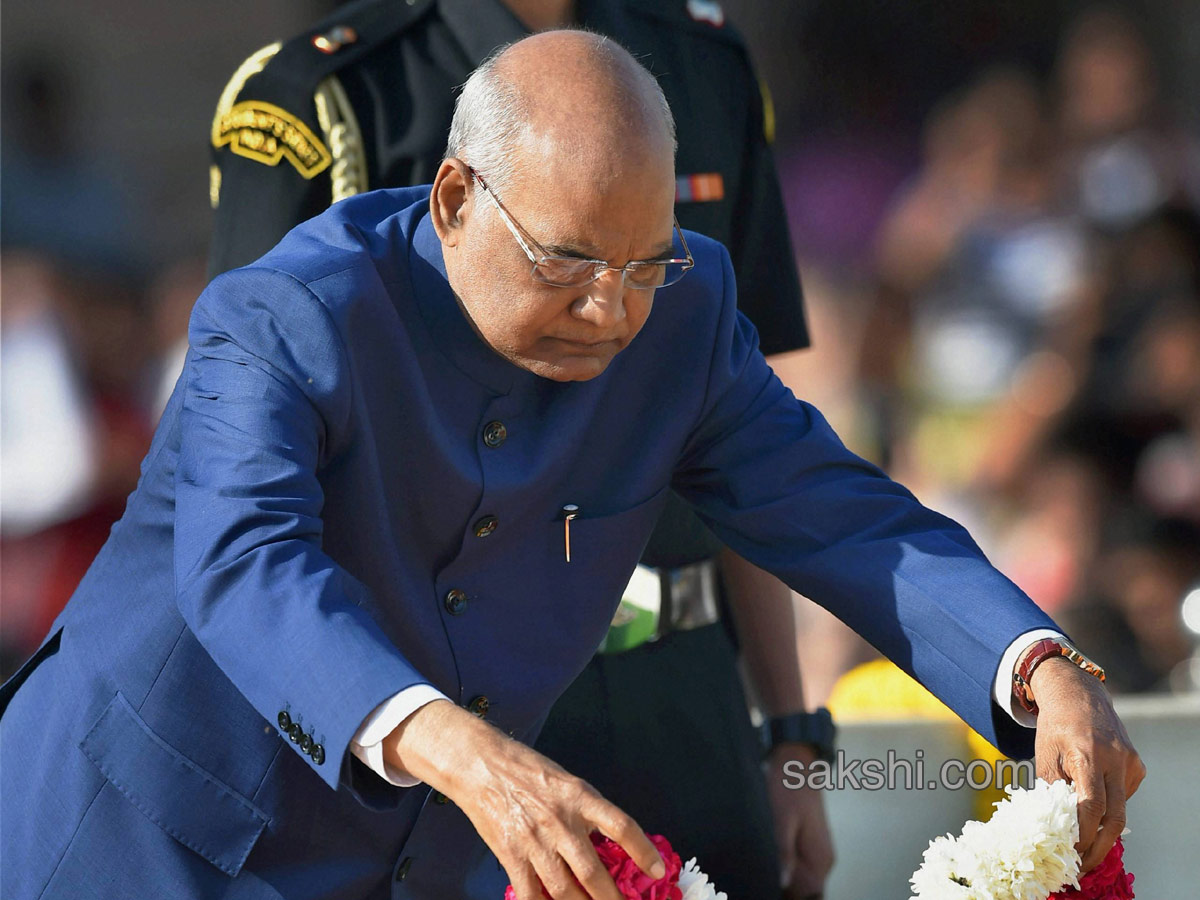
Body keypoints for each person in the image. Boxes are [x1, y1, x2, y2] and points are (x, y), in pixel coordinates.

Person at [2, 32, 1142, 900]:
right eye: (567, 260)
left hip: (403, 857)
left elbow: (841, 514)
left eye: (646, 262)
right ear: (453, 201)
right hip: (137, 830)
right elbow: (244, 563)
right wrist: (451, 744)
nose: (611, 311)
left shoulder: (683, 321)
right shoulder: (288, 313)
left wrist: (1036, 664)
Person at [206, 2, 824, 896]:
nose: (606, 307)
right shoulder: (328, 94)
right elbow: (252, 448)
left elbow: (750, 443)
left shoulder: (703, 60)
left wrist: (793, 734)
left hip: (686, 685)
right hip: (452, 716)